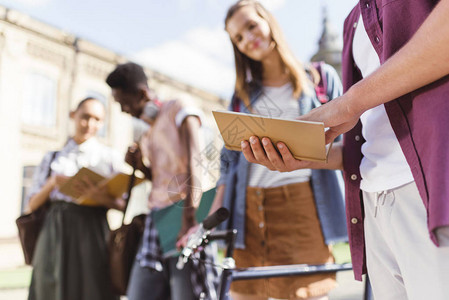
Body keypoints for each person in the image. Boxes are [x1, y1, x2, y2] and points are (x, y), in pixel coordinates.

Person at [241, 1, 449, 299]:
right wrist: (303, 156)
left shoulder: (320, 74)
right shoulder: (353, 21)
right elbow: (360, 144)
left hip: (428, 188)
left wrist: (347, 104)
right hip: (372, 203)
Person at [181, 1, 347, 299]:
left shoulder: (321, 80)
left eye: (251, 26)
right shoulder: (241, 95)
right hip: (247, 214)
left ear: (268, 20)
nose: (247, 39)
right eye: (238, 38)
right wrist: (207, 222)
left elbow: (348, 147)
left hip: (301, 208)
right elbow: (228, 162)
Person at [106, 62, 218, 300]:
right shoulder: (147, 134)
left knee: (185, 293)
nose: (123, 110)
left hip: (184, 214)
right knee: (139, 294)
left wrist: (190, 216)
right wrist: (140, 166)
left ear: (142, 94)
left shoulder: (179, 108)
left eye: (123, 102)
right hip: (156, 218)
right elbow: (159, 179)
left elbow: (195, 158)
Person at [27, 97, 124, 300]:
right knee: (50, 288)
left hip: (93, 230)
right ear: (73, 115)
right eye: (85, 117)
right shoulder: (53, 158)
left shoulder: (108, 157)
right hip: (55, 230)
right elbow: (31, 205)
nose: (90, 124)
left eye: (97, 119)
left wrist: (99, 196)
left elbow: (123, 204)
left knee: (92, 288)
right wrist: (53, 183)